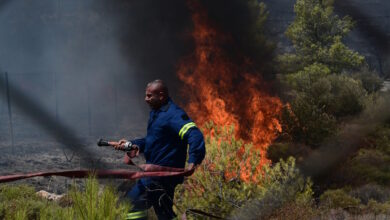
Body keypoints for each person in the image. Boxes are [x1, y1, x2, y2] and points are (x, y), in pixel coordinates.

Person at [114, 79, 206, 220]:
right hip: (156, 175)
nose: (146, 99)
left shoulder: (173, 115)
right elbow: (154, 141)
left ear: (161, 96)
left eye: (150, 96)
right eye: (146, 95)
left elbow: (195, 135)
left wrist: (192, 161)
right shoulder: (157, 113)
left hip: (161, 177)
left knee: (130, 204)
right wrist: (132, 144)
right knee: (165, 214)